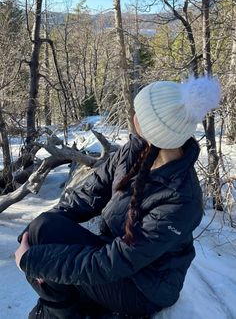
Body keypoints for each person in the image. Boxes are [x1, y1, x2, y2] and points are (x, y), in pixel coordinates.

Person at [15, 76, 221, 319]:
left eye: (140, 114)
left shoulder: (180, 199)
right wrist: (30, 237)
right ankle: (60, 309)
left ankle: (60, 312)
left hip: (144, 288)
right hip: (117, 259)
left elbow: (115, 261)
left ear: (152, 128)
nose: (134, 116)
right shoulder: (135, 150)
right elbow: (88, 194)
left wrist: (35, 261)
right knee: (42, 229)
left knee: (43, 258)